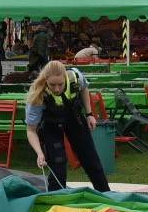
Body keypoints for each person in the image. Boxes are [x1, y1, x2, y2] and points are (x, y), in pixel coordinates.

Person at [24, 60, 110, 192]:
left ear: (65, 77)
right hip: (51, 125)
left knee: (91, 159)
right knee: (58, 165)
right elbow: (31, 130)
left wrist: (89, 114)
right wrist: (39, 153)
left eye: (60, 84)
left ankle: (106, 194)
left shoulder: (75, 77)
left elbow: (84, 89)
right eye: (52, 85)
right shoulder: (37, 94)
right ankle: (56, 200)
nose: (57, 89)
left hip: (74, 118)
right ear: (46, 80)